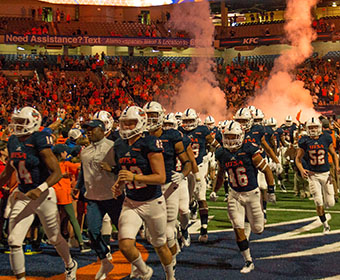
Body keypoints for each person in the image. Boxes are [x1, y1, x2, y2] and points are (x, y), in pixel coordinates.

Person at [0, 107, 77, 280]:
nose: (17, 125)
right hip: (23, 194)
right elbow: (7, 173)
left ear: (34, 122)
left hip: (44, 195)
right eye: (17, 121)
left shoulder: (39, 139)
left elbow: (56, 172)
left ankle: (70, 264)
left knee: (54, 238)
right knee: (14, 241)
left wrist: (40, 189)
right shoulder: (13, 141)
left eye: (22, 122)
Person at [113, 106, 175, 280]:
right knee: (125, 244)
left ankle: (171, 276)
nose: (126, 127)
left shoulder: (149, 142)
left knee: (160, 245)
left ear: (141, 122)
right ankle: (145, 271)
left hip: (152, 202)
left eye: (131, 123)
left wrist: (133, 176)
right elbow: (124, 171)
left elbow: (161, 177)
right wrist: (119, 183)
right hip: (131, 201)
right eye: (124, 123)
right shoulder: (119, 144)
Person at [212, 121, 274, 273]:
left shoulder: (249, 150)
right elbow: (220, 174)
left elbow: (267, 170)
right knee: (237, 228)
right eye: (228, 136)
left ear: (241, 136)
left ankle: (249, 223)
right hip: (234, 195)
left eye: (234, 136)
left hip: (252, 194)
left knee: (258, 229)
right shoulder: (222, 153)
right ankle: (248, 261)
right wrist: (215, 190)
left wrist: (271, 190)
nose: (231, 140)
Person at [143, 101, 192, 269]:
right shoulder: (141, 136)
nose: (150, 120)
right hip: (149, 186)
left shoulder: (172, 136)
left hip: (169, 186)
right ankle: (173, 250)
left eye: (153, 116)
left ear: (161, 117)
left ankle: (172, 258)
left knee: (169, 228)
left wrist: (182, 174)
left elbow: (187, 163)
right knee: (150, 235)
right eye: (147, 116)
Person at [75, 119, 124, 280]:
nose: (88, 131)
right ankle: (105, 260)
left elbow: (124, 166)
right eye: (87, 129)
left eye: (92, 129)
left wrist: (113, 169)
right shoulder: (85, 151)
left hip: (113, 196)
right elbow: (84, 171)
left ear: (102, 130)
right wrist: (77, 186)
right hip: (93, 197)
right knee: (92, 232)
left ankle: (137, 264)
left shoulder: (113, 146)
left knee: (125, 234)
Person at [179, 108, 221, 243]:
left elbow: (214, 143)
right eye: (186, 121)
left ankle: (204, 230)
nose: (189, 123)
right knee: (186, 199)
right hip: (184, 168)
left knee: (201, 197)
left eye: (191, 120)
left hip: (200, 167)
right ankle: (192, 206)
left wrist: (215, 153)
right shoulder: (179, 131)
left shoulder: (202, 130)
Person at [295, 117, 339, 233]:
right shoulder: (304, 141)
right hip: (313, 175)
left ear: (319, 127)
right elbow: (298, 159)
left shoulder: (326, 138)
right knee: (318, 201)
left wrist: (337, 167)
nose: (313, 130)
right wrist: (301, 169)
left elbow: (333, 154)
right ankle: (325, 225)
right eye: (311, 127)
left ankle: (325, 208)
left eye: (315, 127)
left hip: (326, 174)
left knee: (330, 203)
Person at [52, 144, 90, 254]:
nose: (67, 154)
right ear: (61, 154)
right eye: (65, 152)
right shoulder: (65, 164)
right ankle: (81, 244)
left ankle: (50, 242)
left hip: (52, 194)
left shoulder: (51, 164)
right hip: (63, 194)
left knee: (54, 219)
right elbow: (79, 167)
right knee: (73, 218)